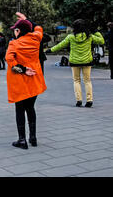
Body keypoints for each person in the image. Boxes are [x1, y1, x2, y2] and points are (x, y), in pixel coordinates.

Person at [6, 19, 47, 150]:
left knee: (20, 109)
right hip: (34, 80)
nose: (15, 32)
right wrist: (27, 20)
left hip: (21, 81)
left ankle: (22, 139)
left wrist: (22, 69)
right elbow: (39, 28)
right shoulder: (36, 39)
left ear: (19, 31)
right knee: (30, 107)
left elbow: (9, 59)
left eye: (16, 30)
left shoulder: (14, 44)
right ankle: (33, 137)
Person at [47, 19, 105, 108]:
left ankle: (79, 100)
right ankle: (89, 100)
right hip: (87, 61)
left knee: (76, 81)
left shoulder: (71, 37)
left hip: (75, 62)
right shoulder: (89, 36)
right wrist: (96, 32)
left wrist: (50, 50)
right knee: (87, 81)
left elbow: (60, 45)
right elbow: (101, 41)